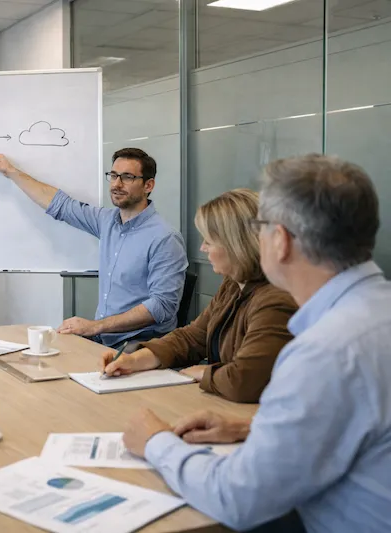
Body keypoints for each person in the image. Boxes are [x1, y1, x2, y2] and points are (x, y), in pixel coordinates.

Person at [120, 155, 391, 533]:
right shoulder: (372, 314)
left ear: (279, 241)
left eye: (259, 226)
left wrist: (156, 442)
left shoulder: (326, 349)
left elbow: (238, 499)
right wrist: (256, 429)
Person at [100, 189, 296, 403]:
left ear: (236, 246)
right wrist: (136, 360)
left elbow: (246, 381)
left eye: (209, 241)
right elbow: (193, 337)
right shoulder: (233, 285)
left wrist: (205, 374)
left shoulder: (275, 299)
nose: (203, 248)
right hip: (225, 404)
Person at [0, 148, 187, 349]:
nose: (117, 184)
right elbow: (60, 205)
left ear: (148, 185)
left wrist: (95, 327)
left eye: (127, 177)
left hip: (140, 345)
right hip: (105, 339)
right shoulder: (107, 221)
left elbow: (162, 306)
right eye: (114, 175)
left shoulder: (165, 238)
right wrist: (10, 171)